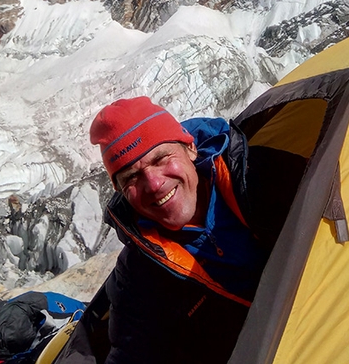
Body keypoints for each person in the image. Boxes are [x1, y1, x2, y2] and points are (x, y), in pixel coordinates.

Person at [90, 96, 306, 364]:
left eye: (160, 158)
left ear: (190, 148)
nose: (155, 184)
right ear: (121, 192)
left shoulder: (263, 174)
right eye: (131, 177)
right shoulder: (138, 276)